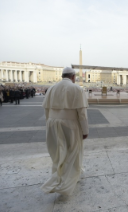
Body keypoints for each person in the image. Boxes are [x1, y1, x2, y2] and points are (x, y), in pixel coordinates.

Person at [41, 67, 89, 196]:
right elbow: (82, 114)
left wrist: (48, 125)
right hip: (69, 124)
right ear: (73, 77)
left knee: (57, 152)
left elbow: (46, 110)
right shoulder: (77, 89)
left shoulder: (51, 89)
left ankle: (59, 175)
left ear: (62, 76)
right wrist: (85, 130)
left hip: (52, 123)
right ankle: (67, 181)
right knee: (72, 151)